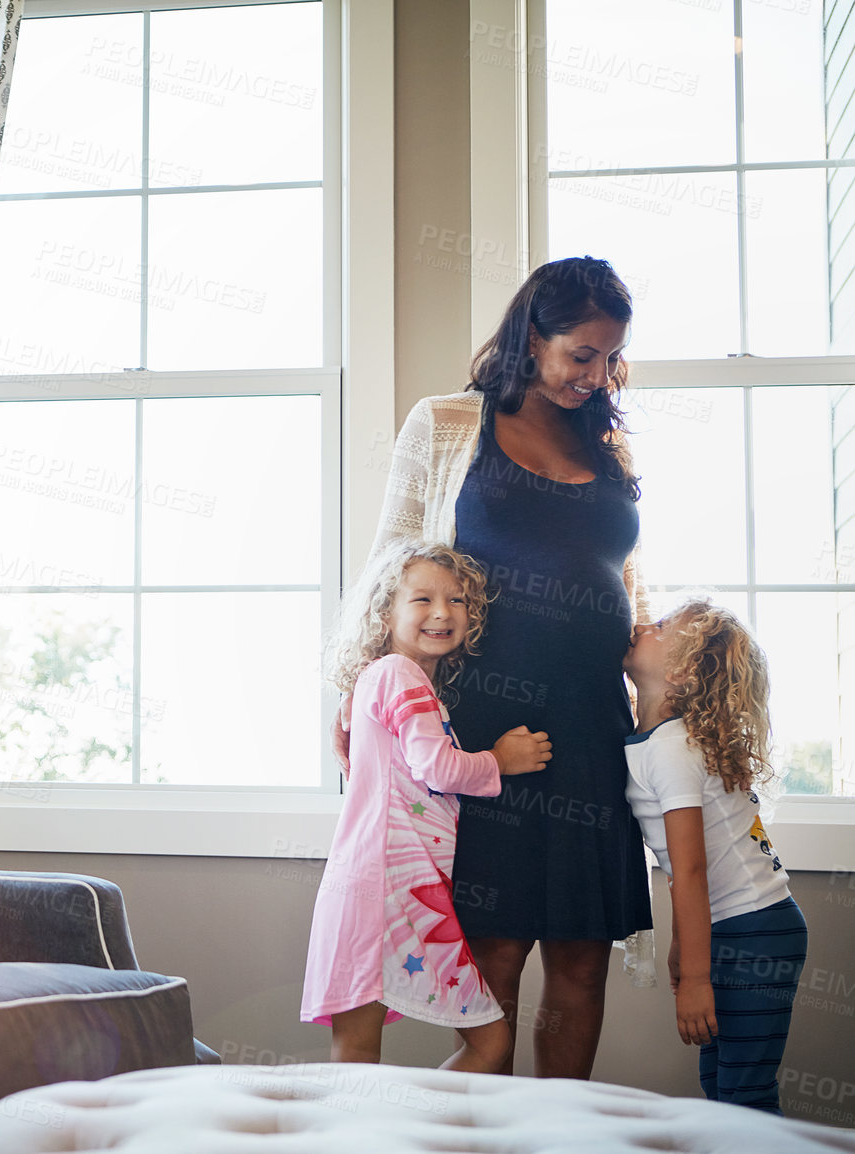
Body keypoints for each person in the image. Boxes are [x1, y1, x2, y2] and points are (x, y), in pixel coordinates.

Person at [339, 256, 652, 1078]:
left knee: (584, 960)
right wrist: (352, 698)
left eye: (609, 357)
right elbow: (389, 569)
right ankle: (486, 1137)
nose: (596, 375)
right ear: (531, 337)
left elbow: (624, 580)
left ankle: (564, 1139)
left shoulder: (606, 441)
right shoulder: (445, 424)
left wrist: (663, 704)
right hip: (481, 729)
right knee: (495, 959)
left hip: (591, 726)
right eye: (580, 355)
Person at [302, 539, 552, 1071]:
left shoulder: (389, 680)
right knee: (482, 1043)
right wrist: (499, 761)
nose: (442, 612)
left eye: (457, 600)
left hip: (387, 891)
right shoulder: (398, 675)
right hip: (386, 892)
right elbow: (436, 767)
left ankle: (400, 1134)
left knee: (360, 1055)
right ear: (385, 612)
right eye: (422, 599)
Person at [623, 600, 806, 1113]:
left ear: (680, 673)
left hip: (755, 930)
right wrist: (685, 948)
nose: (642, 626)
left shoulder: (671, 748)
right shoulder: (655, 741)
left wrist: (697, 978)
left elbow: (692, 870)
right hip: (736, 925)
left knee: (744, 1090)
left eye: (659, 627)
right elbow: (683, 870)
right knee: (719, 1084)